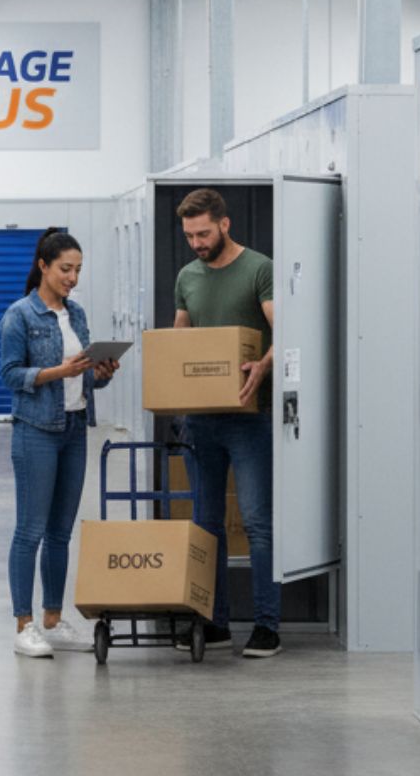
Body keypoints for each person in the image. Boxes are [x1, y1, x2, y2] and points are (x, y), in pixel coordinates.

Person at [0, 228, 119, 658]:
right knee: (30, 530)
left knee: (60, 533)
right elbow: (11, 375)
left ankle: (53, 619)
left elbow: (85, 378)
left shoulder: (77, 314)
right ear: (43, 266)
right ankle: (23, 624)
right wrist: (58, 372)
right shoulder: (20, 315)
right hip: (35, 431)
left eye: (78, 270)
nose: (73, 278)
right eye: (66, 269)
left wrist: (100, 373)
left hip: (74, 428)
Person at [172, 188, 282, 658]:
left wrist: (263, 365)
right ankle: (214, 622)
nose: (197, 243)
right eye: (189, 236)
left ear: (224, 224)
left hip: (248, 417)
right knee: (207, 524)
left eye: (203, 233)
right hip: (201, 420)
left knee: (257, 522)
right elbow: (179, 341)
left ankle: (267, 625)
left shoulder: (259, 269)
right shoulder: (187, 277)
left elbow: (285, 329)